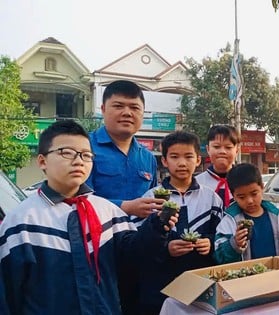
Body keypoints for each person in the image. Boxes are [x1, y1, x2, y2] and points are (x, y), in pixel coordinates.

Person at [0, 120, 177, 315]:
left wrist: (157, 227)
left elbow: (132, 261)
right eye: (66, 153)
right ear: (42, 161)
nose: (78, 161)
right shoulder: (22, 221)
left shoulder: (107, 211)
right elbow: (7, 295)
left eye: (86, 155)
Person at [85, 79, 165, 314]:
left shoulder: (147, 157)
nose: (127, 113)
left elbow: (153, 199)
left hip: (139, 249)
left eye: (134, 107)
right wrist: (126, 207)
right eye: (118, 106)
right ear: (103, 110)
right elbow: (77, 201)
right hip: (98, 250)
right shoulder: (86, 148)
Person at [136, 131, 223, 315]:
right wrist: (166, 248)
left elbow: (223, 236)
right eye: (174, 157)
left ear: (198, 160)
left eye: (188, 156)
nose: (182, 163)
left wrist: (210, 243)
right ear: (165, 161)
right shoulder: (152, 198)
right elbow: (138, 244)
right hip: (161, 285)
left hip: (201, 284)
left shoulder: (211, 198)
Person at [214, 163, 279, 264]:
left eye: (254, 194)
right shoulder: (230, 220)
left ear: (262, 187)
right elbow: (220, 256)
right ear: (233, 196)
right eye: (242, 197)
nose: (250, 201)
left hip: (275, 276)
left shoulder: (276, 216)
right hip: (245, 278)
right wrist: (234, 243)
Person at [195, 124, 240, 209]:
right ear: (208, 149)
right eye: (216, 147)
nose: (222, 151)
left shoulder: (244, 181)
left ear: (237, 150)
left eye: (228, 147)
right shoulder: (196, 183)